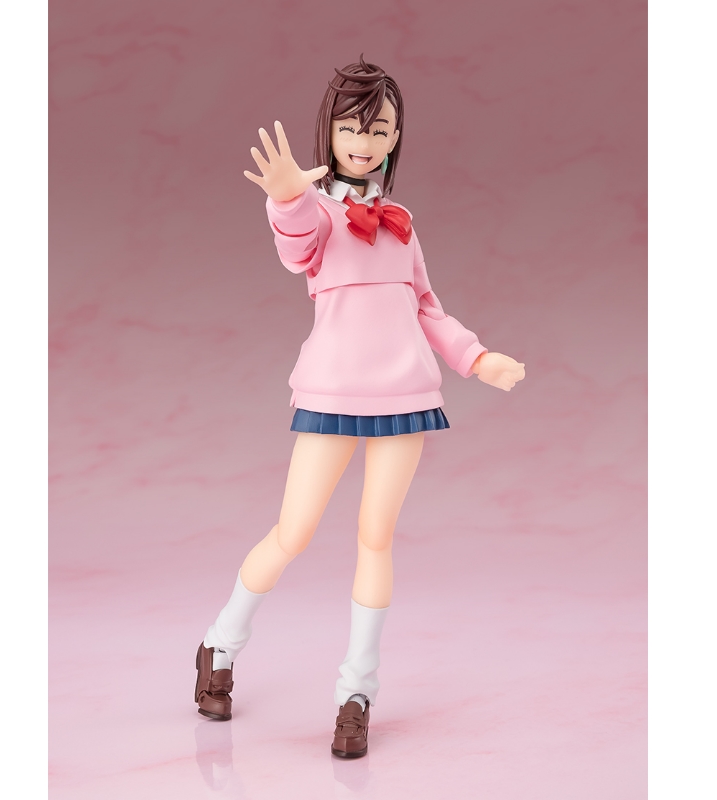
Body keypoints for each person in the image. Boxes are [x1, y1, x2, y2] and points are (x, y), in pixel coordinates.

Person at [194, 56, 525, 759]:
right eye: (351, 127)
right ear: (331, 133)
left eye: (378, 128)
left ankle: (357, 693)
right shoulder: (316, 210)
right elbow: (296, 249)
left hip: (405, 395)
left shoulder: (402, 221)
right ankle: (220, 643)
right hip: (332, 392)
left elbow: (426, 306)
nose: (364, 141)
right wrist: (286, 199)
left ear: (396, 136)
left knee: (376, 538)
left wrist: (475, 358)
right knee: (293, 532)